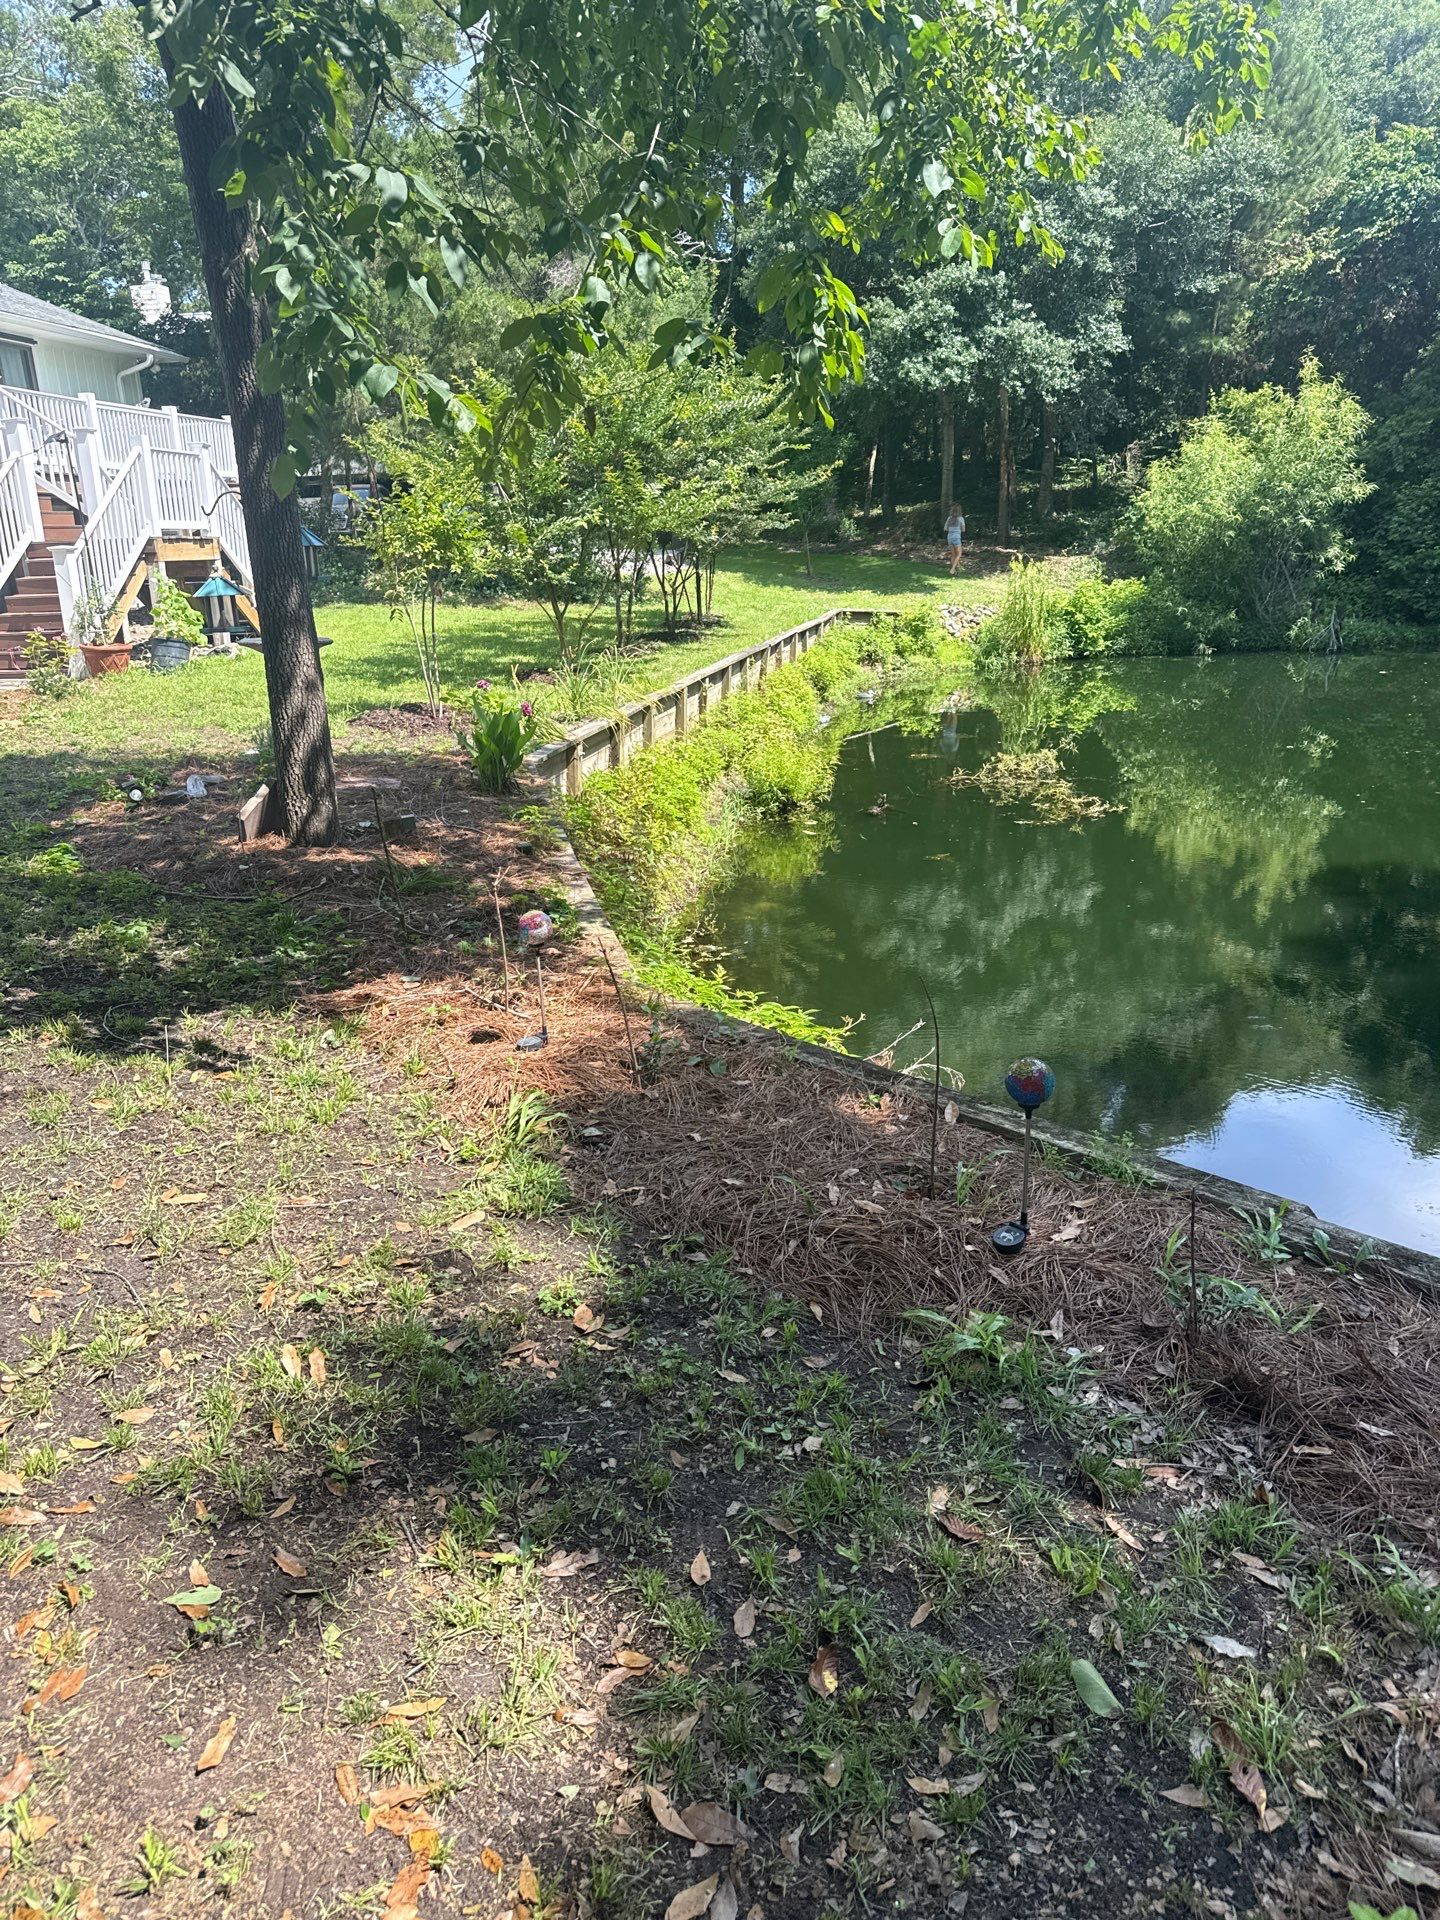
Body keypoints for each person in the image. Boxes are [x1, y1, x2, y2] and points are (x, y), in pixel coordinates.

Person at [944, 504, 966, 575]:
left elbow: (945, 528)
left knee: (953, 554)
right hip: (956, 537)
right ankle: (952, 569)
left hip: (949, 537)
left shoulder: (949, 518)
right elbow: (963, 530)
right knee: (959, 554)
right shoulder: (961, 519)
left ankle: (953, 570)